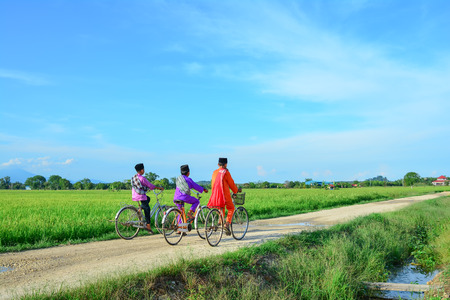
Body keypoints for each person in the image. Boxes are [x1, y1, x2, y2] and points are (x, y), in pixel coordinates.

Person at [207, 158, 241, 235]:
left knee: (221, 207)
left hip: (215, 195)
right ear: (226, 164)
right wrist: (236, 191)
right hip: (224, 195)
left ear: (218, 164)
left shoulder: (214, 172)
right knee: (231, 208)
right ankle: (227, 224)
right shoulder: (226, 172)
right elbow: (231, 184)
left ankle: (220, 221)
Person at [131, 163, 164, 234]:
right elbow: (150, 186)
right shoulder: (142, 178)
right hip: (141, 196)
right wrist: (159, 188)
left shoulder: (134, 177)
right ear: (142, 170)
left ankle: (139, 210)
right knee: (147, 209)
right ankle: (148, 226)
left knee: (148, 199)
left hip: (135, 195)